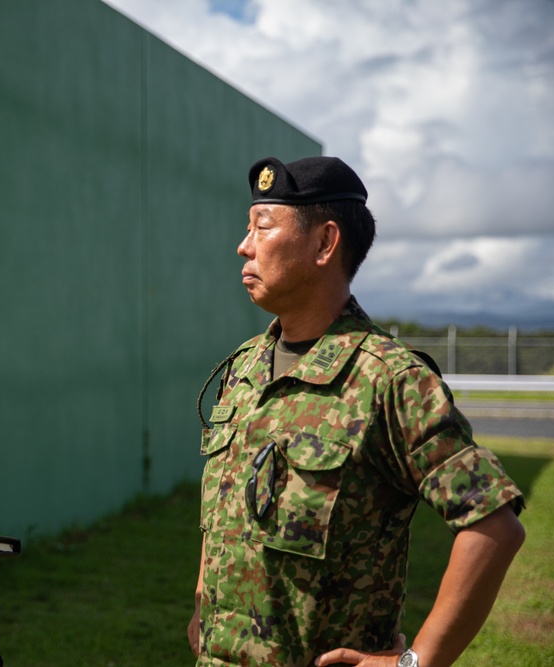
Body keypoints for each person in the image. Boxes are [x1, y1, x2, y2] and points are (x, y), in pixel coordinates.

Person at [188, 156, 525, 667]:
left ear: (325, 243)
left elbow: (493, 525)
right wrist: (203, 606)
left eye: (262, 227)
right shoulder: (246, 367)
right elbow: (227, 511)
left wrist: (417, 663)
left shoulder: (390, 379)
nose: (244, 245)